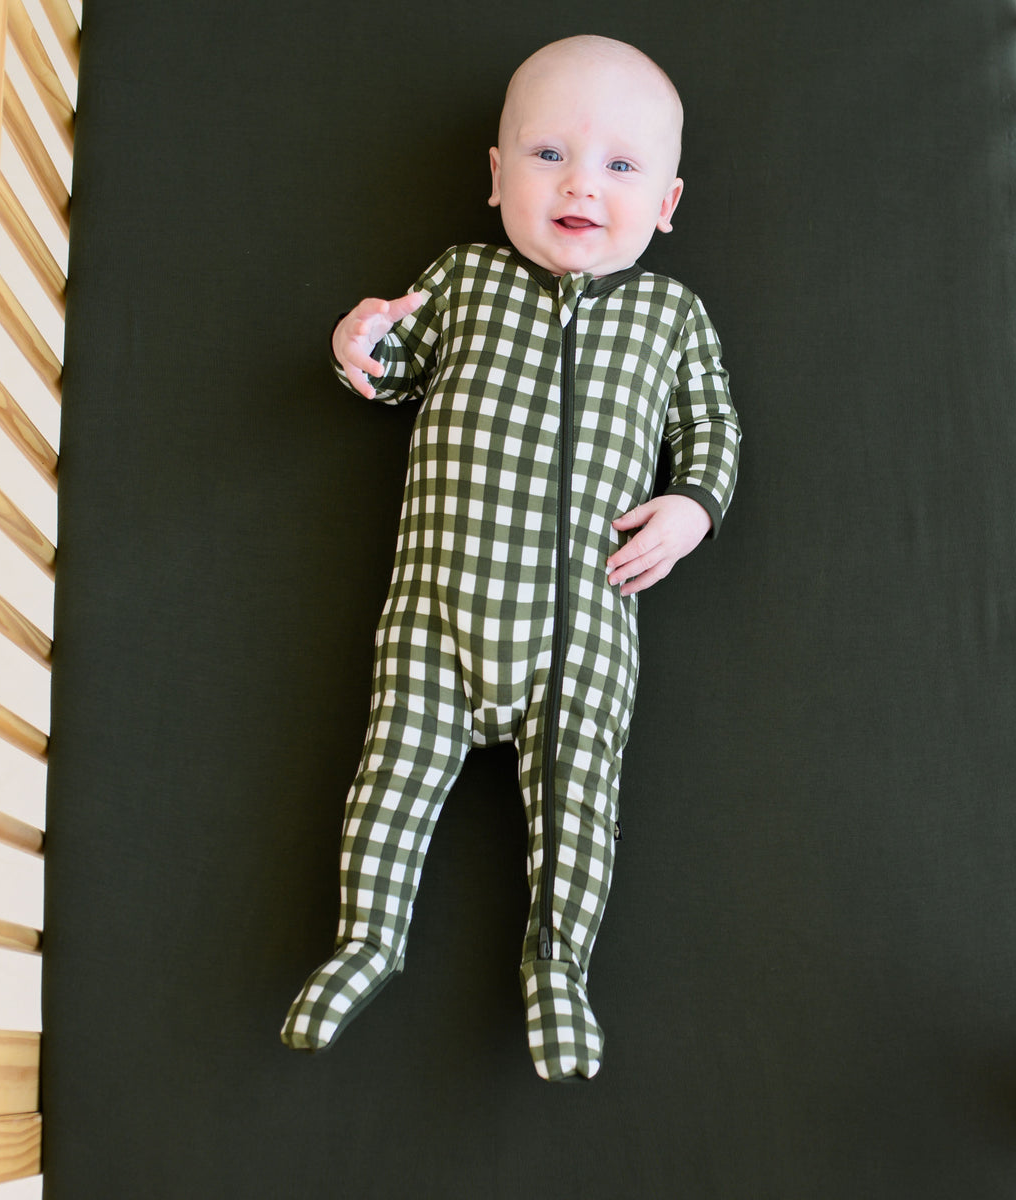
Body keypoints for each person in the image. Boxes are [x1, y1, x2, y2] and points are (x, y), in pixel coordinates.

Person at [281, 34, 740, 1081]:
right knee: (388, 777)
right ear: (496, 180)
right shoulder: (464, 279)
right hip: (438, 615)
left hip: (585, 633)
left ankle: (558, 969)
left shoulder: (670, 317)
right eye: (547, 155)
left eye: (621, 167)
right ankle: (368, 941)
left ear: (666, 203)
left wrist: (694, 507)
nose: (582, 182)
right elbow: (394, 368)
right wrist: (363, 343)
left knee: (582, 803)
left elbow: (713, 425)